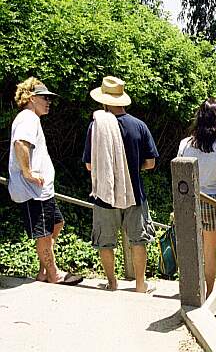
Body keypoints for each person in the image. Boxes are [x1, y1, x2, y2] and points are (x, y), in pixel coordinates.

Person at [83, 76, 159, 293]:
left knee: (105, 241)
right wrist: (130, 170)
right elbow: (151, 163)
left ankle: (112, 283)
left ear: (104, 101)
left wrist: (110, 172)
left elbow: (89, 165)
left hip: (105, 194)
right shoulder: (139, 126)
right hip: (134, 192)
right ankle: (140, 285)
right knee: (138, 240)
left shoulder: (95, 127)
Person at [8, 77, 82, 285]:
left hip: (41, 191)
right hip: (33, 191)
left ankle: (44, 271)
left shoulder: (31, 118)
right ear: (31, 99)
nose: (49, 102)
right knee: (44, 233)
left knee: (57, 223)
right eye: (45, 98)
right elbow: (21, 144)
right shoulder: (28, 118)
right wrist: (28, 173)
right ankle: (54, 274)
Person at [177, 98, 216, 298]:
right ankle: (208, 293)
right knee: (209, 253)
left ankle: (190, 290)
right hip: (213, 203)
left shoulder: (185, 144)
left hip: (188, 201)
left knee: (190, 248)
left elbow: (180, 174)